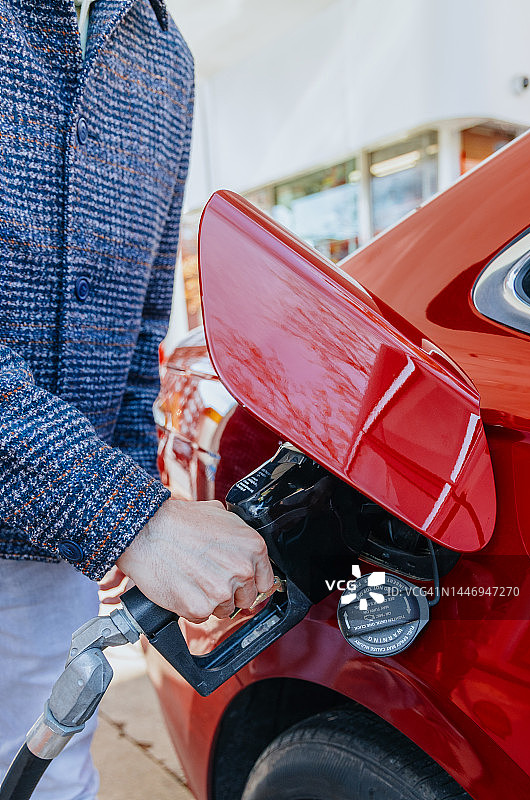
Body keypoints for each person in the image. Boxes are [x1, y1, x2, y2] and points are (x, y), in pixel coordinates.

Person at [0, 0, 274, 797]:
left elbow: (138, 317)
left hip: (43, 539)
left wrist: (122, 504)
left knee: (51, 774)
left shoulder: (165, 55)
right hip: (75, 505)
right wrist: (125, 515)